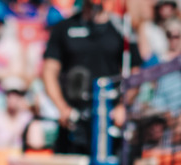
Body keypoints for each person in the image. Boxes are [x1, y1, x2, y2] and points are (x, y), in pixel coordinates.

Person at [42, 0, 138, 155]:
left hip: (110, 118)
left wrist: (123, 106)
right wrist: (62, 108)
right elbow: (49, 71)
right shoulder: (64, 27)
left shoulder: (122, 28)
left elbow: (135, 72)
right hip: (74, 119)